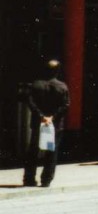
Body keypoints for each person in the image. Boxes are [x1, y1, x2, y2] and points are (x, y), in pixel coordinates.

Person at [22, 59, 70, 188]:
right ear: (58, 71)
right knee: (51, 151)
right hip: (55, 125)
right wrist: (52, 117)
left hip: (38, 122)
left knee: (33, 150)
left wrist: (41, 116)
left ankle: (29, 178)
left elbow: (30, 102)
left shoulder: (36, 85)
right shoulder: (62, 87)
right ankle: (46, 179)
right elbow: (65, 105)